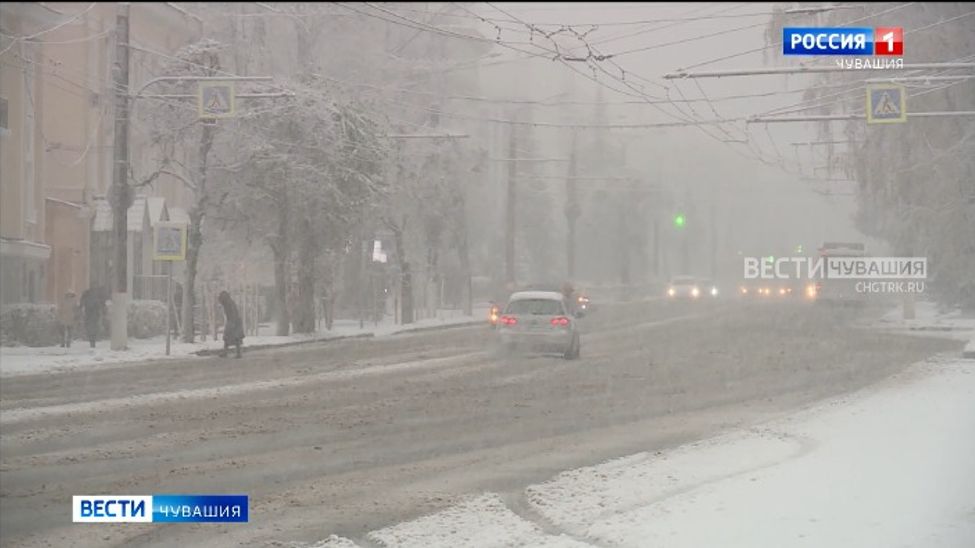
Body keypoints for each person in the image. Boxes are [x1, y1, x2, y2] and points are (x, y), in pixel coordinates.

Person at [218, 290, 244, 358]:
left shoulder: (229, 303)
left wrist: (232, 323)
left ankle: (236, 353)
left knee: (235, 338)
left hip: (234, 321)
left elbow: (233, 313)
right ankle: (228, 352)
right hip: (233, 321)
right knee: (230, 337)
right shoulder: (228, 302)